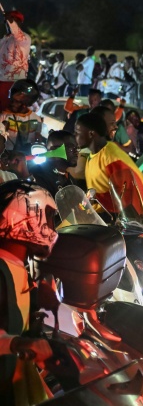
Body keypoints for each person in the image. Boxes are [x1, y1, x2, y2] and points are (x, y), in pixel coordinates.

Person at [74, 112, 143, 250]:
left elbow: (127, 200)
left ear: (91, 134)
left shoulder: (111, 157)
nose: (75, 137)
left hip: (130, 236)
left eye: (77, 133)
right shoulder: (93, 156)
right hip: (104, 229)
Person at [0, 180, 57, 403]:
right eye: (49, 216)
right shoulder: (2, 272)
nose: (52, 227)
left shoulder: (16, 267)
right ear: (25, 218)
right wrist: (20, 344)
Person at [27, 130, 81, 197]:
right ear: (53, 150)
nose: (76, 153)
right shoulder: (38, 175)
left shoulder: (71, 180)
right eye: (71, 148)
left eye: (77, 148)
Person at [0, 80, 43, 154]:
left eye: (16, 101)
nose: (12, 103)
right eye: (12, 100)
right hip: (6, 154)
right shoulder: (4, 116)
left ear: (25, 104)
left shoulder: (36, 119)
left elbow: (38, 137)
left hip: (27, 156)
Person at [0, 10, 31, 112]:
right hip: (2, 80)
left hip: (15, 82)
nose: (9, 23)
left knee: (11, 112)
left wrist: (10, 19)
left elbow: (16, 31)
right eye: (7, 21)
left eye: (14, 20)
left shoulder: (24, 38)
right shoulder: (4, 40)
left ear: (20, 22)